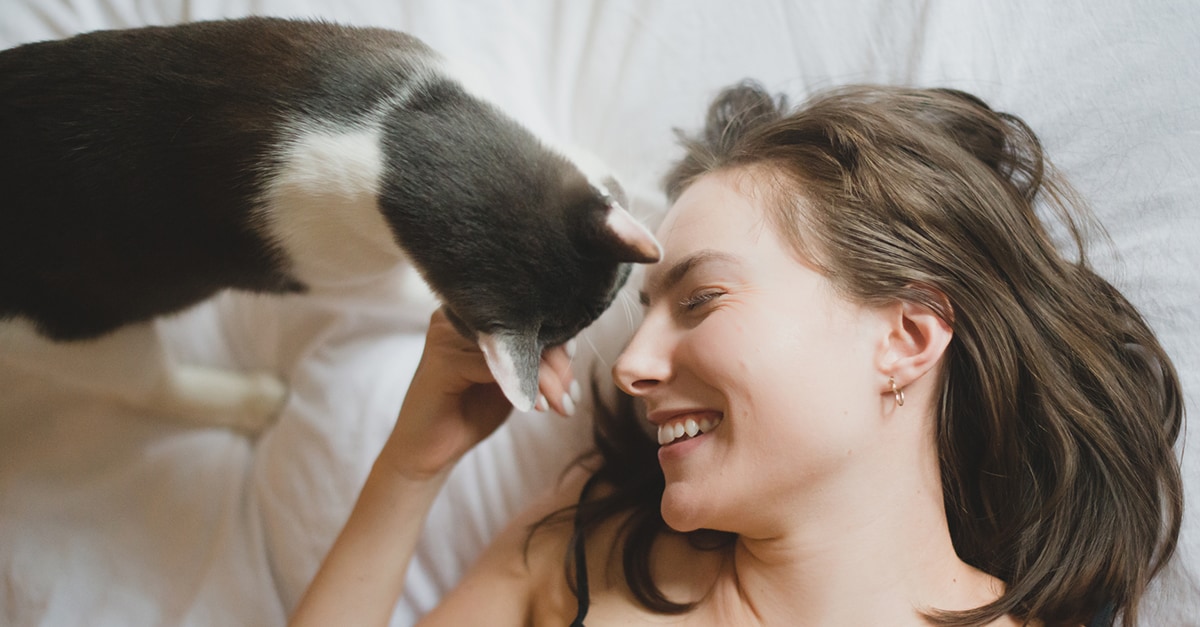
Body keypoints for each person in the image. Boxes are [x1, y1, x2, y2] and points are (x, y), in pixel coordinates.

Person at [289, 82, 1183, 626]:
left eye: (701, 298)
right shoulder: (579, 553)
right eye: (645, 313)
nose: (633, 364)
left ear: (905, 337)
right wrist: (412, 465)